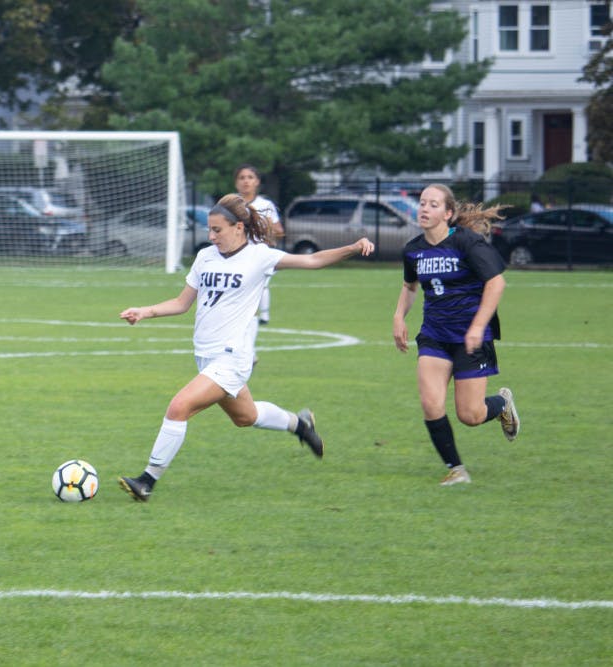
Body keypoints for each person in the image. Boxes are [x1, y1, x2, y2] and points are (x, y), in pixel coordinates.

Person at [117, 193, 374, 502]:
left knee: (179, 407)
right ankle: (299, 424)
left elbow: (312, 260)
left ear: (238, 227)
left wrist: (352, 247)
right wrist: (145, 311)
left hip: (232, 358)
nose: (211, 236)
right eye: (210, 230)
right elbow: (182, 303)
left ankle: (147, 481)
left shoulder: (260, 256)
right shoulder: (205, 257)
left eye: (217, 230)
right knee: (246, 417)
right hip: (206, 356)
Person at [392, 184, 520, 486]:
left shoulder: (466, 242)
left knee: (470, 415)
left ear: (448, 213)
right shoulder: (413, 250)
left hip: (470, 337)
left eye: (433, 204)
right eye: (422, 203)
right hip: (435, 335)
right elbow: (410, 286)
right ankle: (457, 470)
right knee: (431, 404)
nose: (425, 209)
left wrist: (477, 326)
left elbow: (496, 283)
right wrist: (398, 316)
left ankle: (502, 404)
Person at [234, 164, 284, 326]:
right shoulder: (231, 203)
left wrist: (265, 228)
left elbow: (279, 231)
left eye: (250, 177)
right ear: (236, 183)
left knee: (260, 284)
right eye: (242, 178)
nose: (246, 181)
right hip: (236, 253)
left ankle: (263, 316)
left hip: (258, 252)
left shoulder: (265, 205)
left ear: (257, 182)